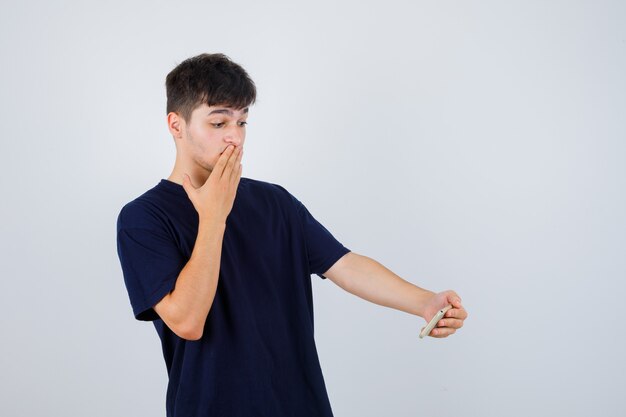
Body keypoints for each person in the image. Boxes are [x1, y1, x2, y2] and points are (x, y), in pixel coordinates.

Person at [116, 52, 468, 417]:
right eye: (218, 123)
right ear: (176, 125)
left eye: (242, 122)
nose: (235, 137)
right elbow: (187, 321)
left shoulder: (274, 201)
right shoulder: (143, 218)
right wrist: (213, 217)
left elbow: (345, 265)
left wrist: (425, 302)